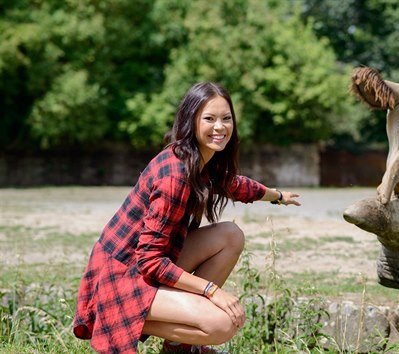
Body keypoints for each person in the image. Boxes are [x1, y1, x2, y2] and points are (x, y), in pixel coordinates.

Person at [73, 82, 301, 354]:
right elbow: (149, 261)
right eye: (209, 119)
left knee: (230, 235)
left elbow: (234, 184)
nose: (220, 127)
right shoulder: (175, 176)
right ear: (190, 121)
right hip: (120, 280)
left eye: (226, 118)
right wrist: (211, 291)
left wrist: (276, 196)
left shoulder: (199, 161)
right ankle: (126, 320)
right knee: (221, 323)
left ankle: (178, 348)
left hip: (142, 265)